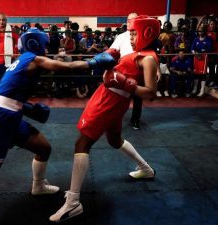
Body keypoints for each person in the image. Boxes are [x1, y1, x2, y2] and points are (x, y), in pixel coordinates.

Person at [0, 27, 119, 225]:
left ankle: (38, 186)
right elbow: (68, 68)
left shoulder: (21, 60)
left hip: (10, 116)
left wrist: (27, 108)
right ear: (36, 43)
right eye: (43, 43)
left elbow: (7, 92)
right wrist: (94, 62)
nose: (46, 47)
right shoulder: (33, 59)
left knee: (43, 148)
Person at [49, 15, 160, 223]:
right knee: (114, 139)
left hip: (110, 101)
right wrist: (109, 55)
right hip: (110, 97)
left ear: (147, 33)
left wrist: (125, 83)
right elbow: (116, 55)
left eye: (135, 33)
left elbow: (151, 93)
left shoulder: (149, 58)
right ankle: (146, 169)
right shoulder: (139, 52)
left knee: (82, 143)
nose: (132, 37)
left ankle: (73, 202)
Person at [109, 12, 143, 130]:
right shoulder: (121, 36)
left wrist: (156, 70)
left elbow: (150, 55)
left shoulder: (143, 37)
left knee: (138, 98)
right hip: (123, 70)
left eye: (132, 20)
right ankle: (113, 119)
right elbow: (112, 51)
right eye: (128, 20)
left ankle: (135, 120)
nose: (130, 22)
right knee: (118, 96)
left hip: (139, 71)